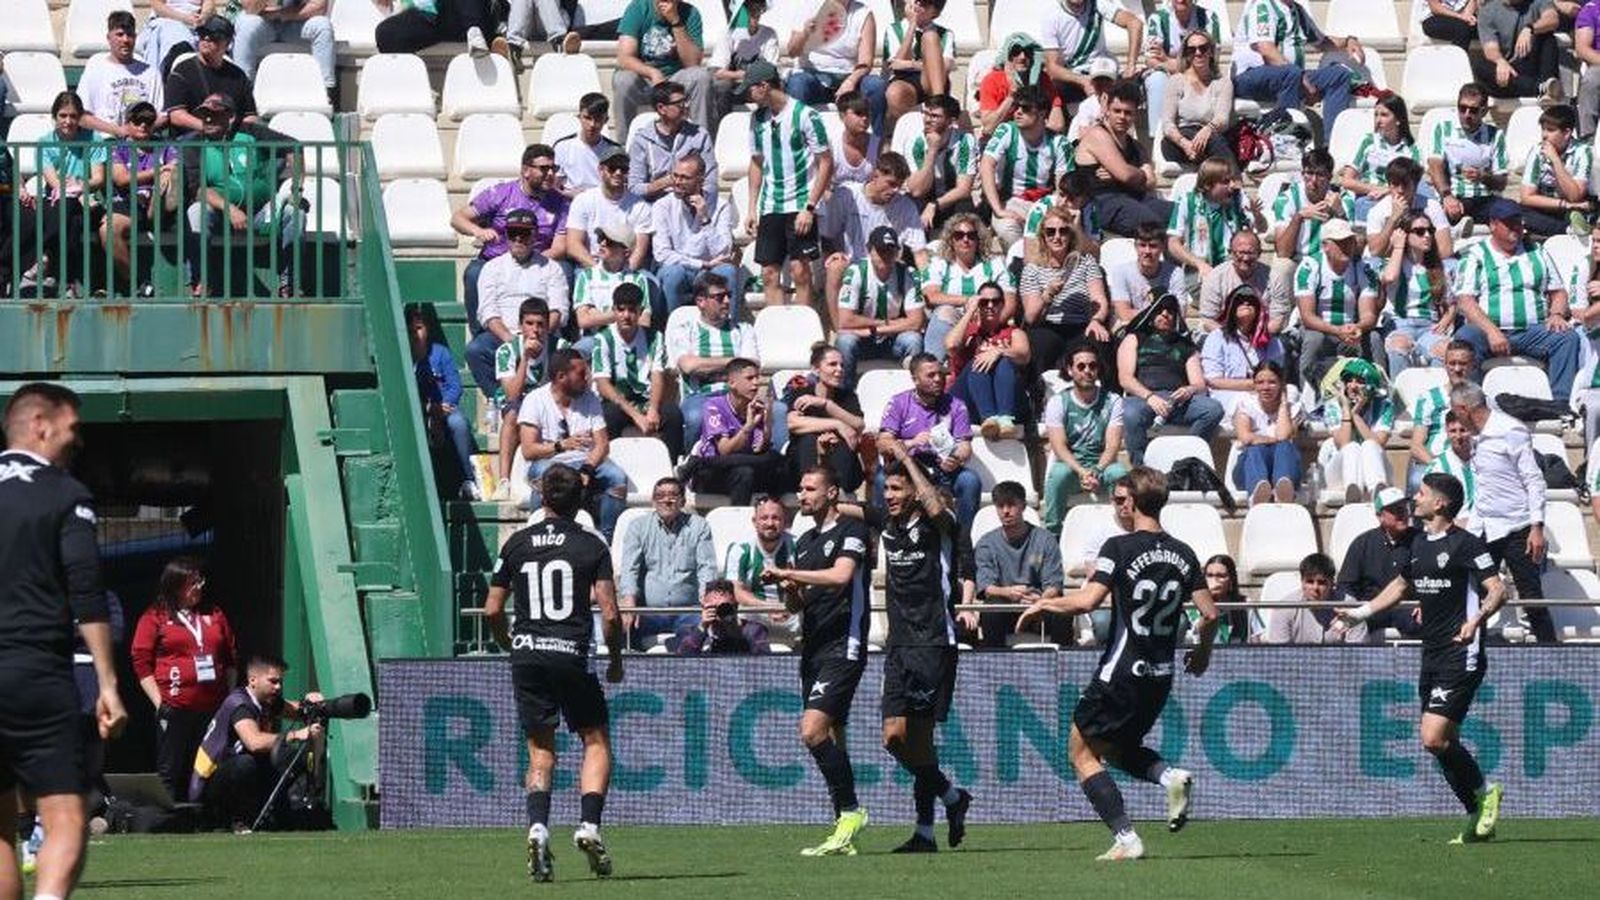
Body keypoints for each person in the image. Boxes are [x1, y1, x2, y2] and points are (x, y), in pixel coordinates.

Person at [1017, 466, 1215, 861]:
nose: (1117, 505)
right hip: (1161, 674)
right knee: (1121, 747)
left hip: (1121, 671)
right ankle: (1169, 776)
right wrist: (1204, 652)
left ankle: (1126, 838)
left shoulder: (1119, 548)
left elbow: (1087, 601)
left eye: (1121, 499)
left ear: (1134, 504)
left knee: (1080, 752)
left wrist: (1044, 603)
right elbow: (1210, 615)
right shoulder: (1184, 552)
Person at [0, 384, 125, 900]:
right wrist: (108, 684)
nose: (78, 441)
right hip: (35, 672)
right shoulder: (64, 494)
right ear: (40, 425)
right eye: (72, 429)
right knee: (66, 813)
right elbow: (86, 589)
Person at [1333, 472, 1507, 843]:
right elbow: (1400, 586)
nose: (1416, 497)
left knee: (1432, 738)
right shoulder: (1419, 544)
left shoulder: (1467, 544)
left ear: (1440, 503)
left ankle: (1485, 793)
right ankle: (1477, 814)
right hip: (1432, 655)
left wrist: (1476, 620)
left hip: (1463, 654)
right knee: (1444, 744)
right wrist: (1359, 614)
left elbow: (1497, 590)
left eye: (1423, 492)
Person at [483, 464, 624, 882]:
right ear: (580, 500)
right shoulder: (591, 545)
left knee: (540, 752)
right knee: (595, 739)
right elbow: (611, 614)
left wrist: (507, 642)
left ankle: (538, 828)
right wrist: (615, 659)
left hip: (527, 654)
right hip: (571, 652)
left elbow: (492, 608)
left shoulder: (517, 543)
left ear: (542, 497)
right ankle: (588, 825)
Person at [853, 446, 972, 853]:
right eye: (887, 489)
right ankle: (953, 796)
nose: (889, 495)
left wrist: (904, 456)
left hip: (934, 643)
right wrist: (866, 465)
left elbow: (936, 505)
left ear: (916, 492)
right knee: (894, 738)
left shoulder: (941, 525)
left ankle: (924, 832)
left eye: (898, 488)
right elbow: (852, 504)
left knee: (919, 742)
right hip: (899, 645)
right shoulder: (888, 525)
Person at [760, 466, 872, 856]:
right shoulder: (805, 540)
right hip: (814, 647)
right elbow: (798, 604)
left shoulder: (852, 532)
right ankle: (845, 829)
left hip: (845, 644)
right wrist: (789, 589)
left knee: (811, 731)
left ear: (832, 493)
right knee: (832, 735)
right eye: (800, 487)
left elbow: (841, 577)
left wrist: (790, 572)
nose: (802, 494)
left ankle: (851, 812)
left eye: (810, 488)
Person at [1450, 381, 1558, 643]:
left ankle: (1551, 651)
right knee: (1473, 588)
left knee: (1530, 593)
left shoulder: (1510, 430)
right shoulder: (1473, 435)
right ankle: (1474, 645)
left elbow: (1533, 479)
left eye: (1456, 410)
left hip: (1516, 528)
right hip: (1484, 526)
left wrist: (1537, 527)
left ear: (1464, 408)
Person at [175, 93, 305, 298]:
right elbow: (198, 189)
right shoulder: (193, 143)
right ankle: (200, 281)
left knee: (294, 213)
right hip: (220, 216)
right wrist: (230, 209)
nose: (207, 119)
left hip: (261, 213)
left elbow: (294, 147)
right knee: (195, 211)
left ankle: (288, 283)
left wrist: (296, 188)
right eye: (204, 115)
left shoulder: (251, 132)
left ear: (231, 117)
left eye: (214, 115)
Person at [1453, 199, 1580, 402]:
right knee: (1465, 338)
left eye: (1518, 221)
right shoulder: (1475, 255)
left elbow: (1558, 292)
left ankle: (1560, 403)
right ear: (1493, 225)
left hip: (1532, 331)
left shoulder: (1537, 251)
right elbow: (1466, 301)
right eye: (1509, 222)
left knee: (1567, 337)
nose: (1516, 227)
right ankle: (1471, 402)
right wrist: (1492, 331)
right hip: (1489, 331)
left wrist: (1556, 314)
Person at [188, 656, 323, 831]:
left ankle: (281, 817)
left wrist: (313, 704)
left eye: (280, 682)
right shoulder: (240, 703)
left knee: (288, 758)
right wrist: (296, 734)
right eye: (273, 682)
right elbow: (254, 743)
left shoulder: (266, 701)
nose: (278, 687)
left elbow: (298, 711)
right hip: (210, 783)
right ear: (253, 680)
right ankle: (236, 820)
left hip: (238, 776)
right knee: (247, 763)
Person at [744, 60, 833, 309]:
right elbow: (756, 163)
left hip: (800, 202)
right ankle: (777, 325)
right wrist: (752, 207)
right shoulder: (757, 119)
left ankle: (802, 328)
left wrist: (810, 207)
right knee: (769, 273)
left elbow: (825, 161)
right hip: (772, 203)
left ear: (763, 86)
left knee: (799, 270)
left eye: (750, 89)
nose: (748, 96)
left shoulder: (805, 115)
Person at [453, 144, 570, 334]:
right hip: (494, 261)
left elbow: (559, 247)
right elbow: (458, 218)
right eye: (544, 168)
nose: (550, 174)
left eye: (553, 168)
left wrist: (530, 260)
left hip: (539, 262)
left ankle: (556, 336)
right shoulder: (501, 193)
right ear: (525, 171)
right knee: (474, 273)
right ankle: (480, 335)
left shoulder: (560, 202)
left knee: (565, 270)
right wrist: (478, 231)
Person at [518, 349, 629, 540]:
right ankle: (539, 535)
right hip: (551, 461)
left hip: (585, 460)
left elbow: (602, 445)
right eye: (581, 374)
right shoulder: (535, 400)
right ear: (561, 377)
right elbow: (529, 450)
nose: (587, 379)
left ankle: (607, 539)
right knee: (541, 475)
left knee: (617, 477)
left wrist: (587, 468)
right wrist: (562, 445)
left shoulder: (590, 398)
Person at [467, 206, 570, 399]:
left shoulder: (552, 268)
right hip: (504, 336)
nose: (518, 239)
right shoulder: (491, 268)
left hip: (543, 333)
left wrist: (539, 335)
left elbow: (558, 311)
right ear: (506, 235)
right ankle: (500, 399)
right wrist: (514, 343)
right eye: (513, 233)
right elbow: (488, 313)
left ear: (535, 235)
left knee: (569, 354)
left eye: (524, 233)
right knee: (475, 350)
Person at [1230, 0, 1363, 144]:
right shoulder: (1262, 6)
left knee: (1339, 75)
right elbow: (1266, 49)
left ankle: (1332, 145)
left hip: (1290, 78)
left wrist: (1349, 41)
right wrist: (1302, 78)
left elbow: (1322, 42)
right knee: (1291, 72)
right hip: (1250, 78)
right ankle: (1284, 141)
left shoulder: (1297, 11)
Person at [876, 354, 981, 532]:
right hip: (907, 466)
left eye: (940, 374)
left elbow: (965, 446)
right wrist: (911, 443)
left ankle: (962, 540)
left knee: (970, 481)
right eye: (931, 375)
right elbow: (883, 442)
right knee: (881, 479)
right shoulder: (899, 403)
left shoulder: (956, 405)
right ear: (915, 379)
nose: (938, 379)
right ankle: (886, 535)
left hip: (941, 467)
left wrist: (955, 458)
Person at [821, 155, 928, 327]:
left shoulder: (905, 206)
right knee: (835, 267)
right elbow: (826, 235)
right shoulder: (847, 195)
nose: (895, 191)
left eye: (899, 186)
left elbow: (920, 251)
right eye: (891, 184)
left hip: (887, 267)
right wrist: (833, 254)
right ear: (875, 175)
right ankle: (839, 329)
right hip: (852, 266)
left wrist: (928, 282)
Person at [1118, 293, 1224, 466]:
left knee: (1213, 409)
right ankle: (1142, 470)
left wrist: (1189, 390)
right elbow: (1125, 379)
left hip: (1177, 401)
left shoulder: (1185, 345)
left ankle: (1185, 459)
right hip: (1142, 399)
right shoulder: (1134, 339)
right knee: (1130, 414)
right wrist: (1150, 397)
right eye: (1160, 310)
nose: (1165, 314)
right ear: (1151, 314)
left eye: (1170, 311)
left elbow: (1199, 384)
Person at [618, 477, 718, 648]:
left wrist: (707, 600)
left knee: (702, 631)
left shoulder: (699, 526)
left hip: (687, 611)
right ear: (653, 501)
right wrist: (629, 601)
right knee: (620, 628)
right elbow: (629, 568)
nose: (666, 500)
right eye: (660, 495)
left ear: (683, 500)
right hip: (650, 611)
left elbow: (706, 568)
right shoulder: (638, 527)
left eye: (673, 495)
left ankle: (675, 655)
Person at [666, 272, 760, 449]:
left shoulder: (743, 329)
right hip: (701, 395)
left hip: (738, 396)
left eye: (728, 296)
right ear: (701, 301)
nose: (726, 301)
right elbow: (688, 366)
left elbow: (750, 366)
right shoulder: (685, 329)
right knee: (696, 417)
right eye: (719, 297)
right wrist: (734, 364)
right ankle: (692, 462)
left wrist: (705, 365)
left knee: (777, 411)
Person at [591, 282, 684, 460]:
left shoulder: (654, 337)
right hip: (617, 403)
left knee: (673, 414)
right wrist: (635, 415)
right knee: (607, 415)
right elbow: (603, 384)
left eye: (632, 310)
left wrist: (654, 409)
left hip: (646, 401)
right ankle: (608, 466)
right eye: (621, 309)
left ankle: (672, 470)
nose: (626, 316)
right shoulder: (603, 338)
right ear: (614, 310)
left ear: (640, 312)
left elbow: (657, 376)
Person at [1043, 342, 1130, 529]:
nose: (1087, 371)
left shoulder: (1112, 400)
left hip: (1103, 467)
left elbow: (1113, 445)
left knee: (1120, 474)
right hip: (1073, 468)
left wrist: (1097, 470)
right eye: (1081, 366)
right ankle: (1053, 531)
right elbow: (1059, 447)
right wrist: (1082, 472)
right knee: (1058, 474)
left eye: (1092, 365)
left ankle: (1125, 527)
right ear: (1070, 370)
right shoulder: (1058, 402)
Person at [681, 357, 788, 505]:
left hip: (746, 466)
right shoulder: (714, 406)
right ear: (732, 383)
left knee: (780, 468)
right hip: (711, 471)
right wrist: (748, 427)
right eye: (750, 378)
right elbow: (724, 450)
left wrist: (767, 424)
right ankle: (739, 522)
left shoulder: (756, 407)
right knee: (752, 469)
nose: (756, 383)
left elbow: (758, 449)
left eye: (757, 378)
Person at [33, 92, 109, 298]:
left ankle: (47, 257)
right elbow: (54, 182)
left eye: (73, 116)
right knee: (72, 219)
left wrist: (80, 185)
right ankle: (68, 282)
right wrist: (72, 189)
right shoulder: (44, 142)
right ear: (54, 117)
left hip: (88, 203)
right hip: (57, 203)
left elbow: (98, 178)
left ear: (80, 117)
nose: (68, 121)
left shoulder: (94, 139)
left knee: (72, 214)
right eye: (63, 115)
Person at [1073, 80, 1174, 234]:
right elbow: (1126, 175)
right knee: (1152, 224)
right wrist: (1137, 174)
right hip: (1103, 202)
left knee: (1181, 214)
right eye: (1117, 111)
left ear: (1135, 115)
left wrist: (1120, 174)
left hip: (1136, 199)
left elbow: (1151, 181)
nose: (1122, 117)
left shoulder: (1135, 145)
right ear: (1107, 110)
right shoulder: (1097, 135)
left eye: (1128, 113)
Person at [1021, 205, 1112, 375]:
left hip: (1081, 324)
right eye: (1051, 232)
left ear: (1071, 235)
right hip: (1048, 325)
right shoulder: (1032, 269)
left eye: (1063, 231)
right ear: (1043, 236)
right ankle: (1038, 395)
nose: (1057, 237)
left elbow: (1099, 299)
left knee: (1100, 340)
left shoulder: (1086, 262)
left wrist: (1097, 320)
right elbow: (1031, 317)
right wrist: (1048, 294)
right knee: (1041, 343)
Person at [976, 481, 1068, 647]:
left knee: (1063, 612)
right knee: (991, 611)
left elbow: (1054, 584)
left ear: (1023, 506)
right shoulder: (986, 543)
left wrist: (1040, 601)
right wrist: (1008, 592)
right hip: (1005, 608)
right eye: (1000, 506)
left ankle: (1064, 666)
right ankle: (994, 664)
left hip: (1040, 604)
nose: (1006, 511)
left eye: (1011, 505)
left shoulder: (1045, 539)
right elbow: (986, 586)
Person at [979, 84, 1070, 249]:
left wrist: (1054, 213)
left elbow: (1062, 186)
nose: (1018, 112)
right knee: (1008, 230)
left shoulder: (1059, 143)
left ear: (1042, 113)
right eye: (1017, 107)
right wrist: (999, 209)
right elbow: (986, 165)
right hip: (1011, 202)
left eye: (1026, 108)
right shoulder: (1007, 131)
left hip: (1046, 204)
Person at [102, 102, 180, 295]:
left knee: (171, 177)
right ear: (127, 123)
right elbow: (121, 179)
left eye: (148, 120)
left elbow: (175, 167)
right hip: (129, 204)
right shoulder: (117, 148)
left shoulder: (166, 146)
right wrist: (160, 170)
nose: (143, 125)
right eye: (137, 120)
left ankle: (159, 208)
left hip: (160, 202)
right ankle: (135, 282)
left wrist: (166, 173)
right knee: (108, 229)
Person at [1294, 218, 1382, 387]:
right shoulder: (1309, 267)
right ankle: (1307, 393)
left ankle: (1378, 388)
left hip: (1351, 331)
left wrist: (1358, 327)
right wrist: (1336, 330)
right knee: (1314, 339)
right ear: (1326, 245)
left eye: (1349, 241)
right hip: (1321, 329)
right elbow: (1307, 316)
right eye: (1340, 242)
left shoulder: (1363, 268)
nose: (1346, 247)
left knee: (1374, 338)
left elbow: (1369, 315)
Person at [835, 227, 927, 386]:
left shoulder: (907, 273)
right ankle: (845, 392)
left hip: (892, 339)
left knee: (913, 339)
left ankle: (911, 392)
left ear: (897, 252)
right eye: (880, 251)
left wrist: (876, 329)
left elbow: (916, 322)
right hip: (862, 340)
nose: (885, 256)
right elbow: (845, 320)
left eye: (890, 251)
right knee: (845, 341)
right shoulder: (856, 272)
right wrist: (885, 323)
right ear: (869, 250)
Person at [651, 154, 739, 319]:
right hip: (682, 269)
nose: (677, 182)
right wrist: (701, 264)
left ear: (700, 180)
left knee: (728, 271)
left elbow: (724, 251)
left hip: (710, 271)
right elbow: (662, 254)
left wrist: (705, 219)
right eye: (675, 176)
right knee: (672, 274)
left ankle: (729, 330)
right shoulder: (662, 206)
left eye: (684, 178)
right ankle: (671, 332)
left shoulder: (720, 206)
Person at [408, 306, 481, 500]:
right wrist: (428, 409)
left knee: (459, 423)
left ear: (427, 329)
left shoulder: (440, 353)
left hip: (445, 409)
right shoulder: (404, 357)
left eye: (419, 328)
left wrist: (441, 409)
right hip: (416, 411)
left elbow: (455, 386)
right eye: (411, 330)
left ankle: (469, 479)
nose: (416, 334)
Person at [782, 0, 887, 134]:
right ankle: (796, 148)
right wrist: (805, 34)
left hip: (849, 77)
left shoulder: (862, 13)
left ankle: (873, 150)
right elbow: (792, 52)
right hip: (814, 77)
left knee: (875, 86)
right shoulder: (809, 7)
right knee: (797, 83)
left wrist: (850, 81)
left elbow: (866, 61)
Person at [611, 0, 714, 135]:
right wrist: (653, 73)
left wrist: (676, 22)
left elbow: (692, 63)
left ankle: (700, 144)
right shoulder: (638, 8)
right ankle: (624, 146)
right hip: (645, 79)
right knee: (623, 79)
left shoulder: (691, 13)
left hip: (676, 79)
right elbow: (624, 57)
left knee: (701, 77)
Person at [947, 280, 1031, 441]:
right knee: (977, 361)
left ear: (1002, 304)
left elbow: (1024, 355)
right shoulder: (969, 331)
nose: (990, 305)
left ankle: (1005, 419)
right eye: (984, 302)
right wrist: (970, 311)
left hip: (1008, 401)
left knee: (1004, 361)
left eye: (996, 301)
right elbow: (951, 346)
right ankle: (989, 418)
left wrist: (999, 351)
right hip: (968, 401)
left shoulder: (1014, 333)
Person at [1338, 487, 1426, 638]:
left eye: (1403, 508)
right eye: (1394, 510)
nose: (1402, 514)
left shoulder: (1421, 541)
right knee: (1347, 624)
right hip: (1371, 609)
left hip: (1407, 608)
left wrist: (1425, 602)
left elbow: (1434, 578)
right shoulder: (1363, 543)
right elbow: (1346, 585)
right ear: (1380, 516)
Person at [922, 214, 1013, 359]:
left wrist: (988, 322)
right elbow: (931, 296)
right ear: (951, 240)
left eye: (971, 235)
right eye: (959, 235)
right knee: (944, 311)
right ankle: (934, 365)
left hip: (987, 319)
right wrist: (968, 301)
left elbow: (1010, 302)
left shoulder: (995, 264)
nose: (965, 240)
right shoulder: (939, 263)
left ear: (978, 240)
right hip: (953, 320)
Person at [1166, 157, 1266, 285]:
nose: (1232, 185)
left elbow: (1262, 228)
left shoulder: (1238, 197)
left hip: (1236, 267)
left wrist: (1257, 215)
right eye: (1225, 182)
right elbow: (1173, 243)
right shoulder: (1188, 201)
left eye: (1232, 180)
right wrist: (1199, 264)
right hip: (1200, 271)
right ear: (1208, 185)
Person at [491, 298, 554, 499]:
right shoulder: (507, 351)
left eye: (540, 324)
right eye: (529, 323)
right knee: (511, 413)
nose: (535, 330)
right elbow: (512, 394)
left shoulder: (559, 347)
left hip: (548, 401)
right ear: (520, 325)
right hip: (518, 402)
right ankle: (504, 481)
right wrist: (525, 358)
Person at [783, 345, 867, 494]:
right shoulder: (801, 393)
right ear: (816, 369)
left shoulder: (848, 396)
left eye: (842, 365)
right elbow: (793, 423)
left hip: (841, 463)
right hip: (802, 461)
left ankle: (836, 491)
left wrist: (827, 404)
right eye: (832, 364)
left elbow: (858, 425)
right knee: (808, 440)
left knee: (840, 442)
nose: (839, 369)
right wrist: (837, 424)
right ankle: (809, 490)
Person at [1426, 83, 1508, 231]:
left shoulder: (1495, 135)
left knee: (1513, 211)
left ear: (1484, 111)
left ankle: (1461, 225)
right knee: (1447, 210)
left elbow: (1501, 182)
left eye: (1473, 110)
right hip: (1454, 196)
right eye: (1462, 108)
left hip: (1484, 199)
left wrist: (1483, 177)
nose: (1466, 115)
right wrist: (1446, 195)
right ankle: (1459, 225)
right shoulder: (1443, 129)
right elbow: (1434, 165)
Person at [1380, 210, 1453, 374]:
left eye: (1430, 231)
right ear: (1404, 234)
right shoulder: (1393, 263)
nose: (1427, 235)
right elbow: (1390, 278)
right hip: (1399, 323)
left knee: (1445, 349)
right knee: (1399, 346)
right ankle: (1399, 399)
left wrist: (1446, 320)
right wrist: (1398, 246)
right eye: (1420, 232)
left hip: (1429, 326)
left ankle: (1436, 396)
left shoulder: (1438, 267)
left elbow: (1450, 304)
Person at [1270, 149, 1356, 282]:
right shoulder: (1287, 198)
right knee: (1281, 266)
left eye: (1320, 175)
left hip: (1331, 263)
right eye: (1309, 173)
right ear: (1302, 174)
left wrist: (1340, 213)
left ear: (1329, 176)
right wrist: (1298, 218)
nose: (1314, 180)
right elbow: (1283, 252)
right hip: (1299, 259)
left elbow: (1355, 247)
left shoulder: (1344, 199)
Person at [163, 15, 258, 134]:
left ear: (228, 43)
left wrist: (236, 135)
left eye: (215, 36)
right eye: (203, 33)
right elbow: (176, 115)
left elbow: (250, 116)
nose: (206, 38)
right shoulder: (182, 70)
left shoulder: (238, 76)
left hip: (229, 142)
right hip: (192, 142)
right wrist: (208, 127)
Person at [78, 11, 166, 138]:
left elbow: (162, 116)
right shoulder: (95, 68)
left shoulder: (151, 73)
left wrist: (141, 129)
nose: (125, 40)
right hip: (106, 146)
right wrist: (117, 130)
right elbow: (83, 117)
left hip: (140, 148)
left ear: (135, 38)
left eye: (129, 35)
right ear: (109, 37)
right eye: (119, 34)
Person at [564, 146, 653, 272]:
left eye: (623, 169)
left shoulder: (640, 206)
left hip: (625, 268)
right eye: (612, 168)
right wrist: (598, 271)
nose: (618, 173)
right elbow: (573, 245)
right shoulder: (583, 201)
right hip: (591, 265)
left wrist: (624, 274)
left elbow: (639, 250)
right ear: (600, 170)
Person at [627, 81, 717, 203]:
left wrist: (700, 200)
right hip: (652, 206)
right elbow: (634, 188)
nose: (686, 106)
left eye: (686, 101)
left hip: (690, 205)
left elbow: (710, 180)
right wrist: (668, 181)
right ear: (661, 108)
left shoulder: (700, 135)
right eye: (680, 104)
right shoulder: (642, 140)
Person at [1159, 28, 1235, 170]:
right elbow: (1167, 123)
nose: (1198, 53)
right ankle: (1234, 181)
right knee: (1208, 143)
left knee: (1213, 140)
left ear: (1211, 52)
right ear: (1186, 54)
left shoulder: (1223, 83)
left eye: (1203, 48)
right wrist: (1185, 144)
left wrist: (1207, 130)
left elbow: (1222, 119)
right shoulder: (1176, 81)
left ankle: (1224, 179)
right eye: (1192, 50)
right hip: (1181, 139)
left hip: (1211, 138)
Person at [1320, 359, 1396, 502]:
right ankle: (1353, 493)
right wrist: (1346, 409)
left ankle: (1376, 492)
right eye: (1349, 380)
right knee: (1352, 447)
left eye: (1360, 381)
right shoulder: (1333, 405)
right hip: (1339, 471)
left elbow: (1379, 443)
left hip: (1372, 466)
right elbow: (1343, 443)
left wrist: (1356, 414)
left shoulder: (1385, 406)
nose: (1353, 386)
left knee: (1369, 445)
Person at [1042, 0, 1144, 104]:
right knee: (1048, 93)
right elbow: (1052, 68)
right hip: (1074, 77)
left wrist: (1130, 66)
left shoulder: (1098, 4)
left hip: (1102, 70)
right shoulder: (1052, 16)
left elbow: (1135, 23)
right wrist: (1083, 81)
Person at [1204, 287, 1285, 418]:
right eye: (1240, 301)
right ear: (1231, 308)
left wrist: (1262, 387)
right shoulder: (1217, 337)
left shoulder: (1272, 341)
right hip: (1228, 393)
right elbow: (1213, 381)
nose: (1246, 303)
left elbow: (1278, 376)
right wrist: (1254, 385)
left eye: (1251, 301)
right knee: (1247, 402)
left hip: (1266, 391)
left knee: (1292, 393)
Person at [1407, 342, 1477, 490]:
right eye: (1452, 363)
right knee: (1415, 481)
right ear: (1445, 365)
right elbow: (1416, 445)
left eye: (1463, 364)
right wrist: (1441, 467)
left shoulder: (1481, 400)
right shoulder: (1428, 398)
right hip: (1434, 461)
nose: (1457, 369)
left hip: (1470, 463)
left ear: (1472, 365)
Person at [1340, 95, 1421, 221]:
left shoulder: (1411, 149)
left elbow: (1414, 185)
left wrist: (1389, 192)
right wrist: (1378, 189)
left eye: (1384, 115)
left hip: (1397, 199)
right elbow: (1347, 180)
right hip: (1366, 197)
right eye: (1376, 115)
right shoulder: (1368, 142)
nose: (1378, 120)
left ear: (1398, 119)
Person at [1517, 103, 1593, 238]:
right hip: (1550, 207)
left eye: (1550, 130)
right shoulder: (1537, 151)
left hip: (1574, 210)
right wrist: (1565, 205)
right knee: (1514, 211)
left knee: (1582, 214)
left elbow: (1575, 196)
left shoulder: (1583, 152)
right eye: (1543, 129)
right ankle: (1567, 230)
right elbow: (1527, 197)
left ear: (1567, 133)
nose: (1544, 135)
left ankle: (1568, 227)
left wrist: (1555, 160)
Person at [233, 0, 335, 100]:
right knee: (247, 26)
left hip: (295, 21)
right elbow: (250, 9)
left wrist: (281, 14)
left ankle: (325, 92)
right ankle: (243, 92)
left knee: (322, 26)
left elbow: (319, 7)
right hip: (262, 20)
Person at [571, 222, 651, 350]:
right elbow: (584, 320)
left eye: (609, 241)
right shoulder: (586, 276)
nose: (602, 243)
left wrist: (598, 315)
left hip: (628, 339)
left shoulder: (638, 279)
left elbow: (644, 321)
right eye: (601, 239)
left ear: (626, 252)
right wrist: (627, 314)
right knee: (577, 352)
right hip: (594, 339)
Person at [905, 94, 978, 232]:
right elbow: (917, 190)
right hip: (925, 197)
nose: (927, 120)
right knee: (909, 204)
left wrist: (935, 205)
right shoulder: (917, 142)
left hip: (951, 200)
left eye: (934, 116)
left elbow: (964, 189)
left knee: (965, 208)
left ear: (951, 121)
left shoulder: (965, 141)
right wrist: (932, 151)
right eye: (925, 114)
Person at [880, 0, 955, 134]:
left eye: (925, 5)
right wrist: (912, 26)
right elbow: (895, 65)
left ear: (935, 13)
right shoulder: (894, 29)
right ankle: (910, 132)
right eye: (917, 2)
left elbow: (946, 66)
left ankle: (940, 104)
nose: (918, 7)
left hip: (934, 82)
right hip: (905, 81)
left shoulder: (945, 33)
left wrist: (911, 64)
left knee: (930, 36)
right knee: (894, 92)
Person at [1231, 360, 1300, 504]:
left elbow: (1283, 435)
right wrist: (1271, 440)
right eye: (1260, 382)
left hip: (1284, 468)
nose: (1266, 387)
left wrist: (1283, 405)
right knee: (1255, 449)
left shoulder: (1292, 407)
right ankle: (1258, 493)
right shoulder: (1245, 404)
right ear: (1254, 384)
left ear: (1282, 383)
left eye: (1272, 382)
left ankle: (1283, 492)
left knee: (1285, 447)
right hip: (1248, 470)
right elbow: (1246, 438)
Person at [1196, 230, 1291, 333]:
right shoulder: (1215, 277)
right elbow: (1208, 320)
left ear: (1259, 253)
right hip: (1223, 334)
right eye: (1240, 252)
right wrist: (1234, 340)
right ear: (1230, 253)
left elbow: (1278, 319)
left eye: (1250, 253)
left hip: (1263, 335)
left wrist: (1256, 338)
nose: (1245, 258)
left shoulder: (1274, 277)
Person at [1362, 157, 1453, 263]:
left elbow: (1446, 250)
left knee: (1450, 263)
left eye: (1405, 185)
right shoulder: (1378, 211)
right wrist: (1393, 219)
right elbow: (1375, 251)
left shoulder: (1431, 207)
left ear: (1415, 185)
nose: (1400, 190)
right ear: (1389, 185)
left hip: (1422, 262)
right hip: (1390, 264)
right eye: (1395, 184)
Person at [719, 497, 795, 622]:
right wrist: (768, 608)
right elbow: (736, 590)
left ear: (785, 522)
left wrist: (786, 608)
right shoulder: (741, 549)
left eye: (776, 518)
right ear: (754, 521)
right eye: (764, 518)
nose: (770, 523)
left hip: (791, 612)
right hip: (754, 611)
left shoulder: (798, 545)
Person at [1263, 553, 1365, 643]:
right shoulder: (1283, 609)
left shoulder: (1350, 608)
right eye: (1310, 582)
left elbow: (1358, 655)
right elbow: (1280, 657)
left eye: (1321, 583)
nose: (1315, 588)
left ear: (1332, 583)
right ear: (1302, 582)